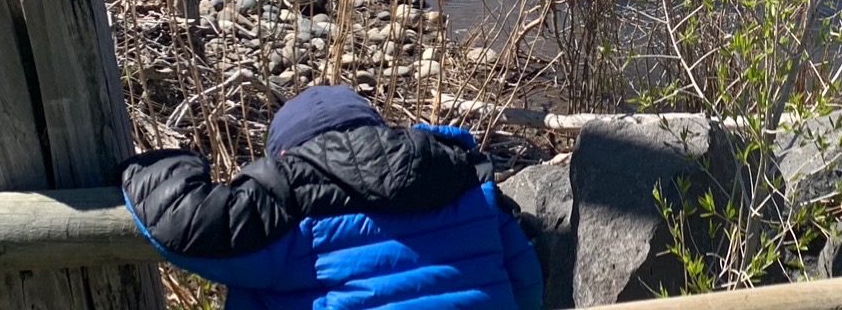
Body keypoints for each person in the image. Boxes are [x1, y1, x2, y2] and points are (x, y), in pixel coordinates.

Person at [120, 84, 544, 310]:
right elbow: (526, 283)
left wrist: (155, 163)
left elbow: (177, 218)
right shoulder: (462, 174)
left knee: (254, 285)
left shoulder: (287, 195)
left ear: (285, 153)